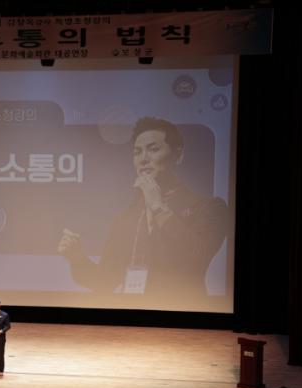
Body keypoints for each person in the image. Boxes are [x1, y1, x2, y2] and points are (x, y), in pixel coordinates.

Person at [58, 117, 229, 301]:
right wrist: (78, 259)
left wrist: (159, 208)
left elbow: (197, 259)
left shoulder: (208, 207)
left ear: (178, 156)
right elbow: (104, 281)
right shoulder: (126, 218)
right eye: (137, 152)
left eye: (153, 150)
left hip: (181, 312)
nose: (143, 159)